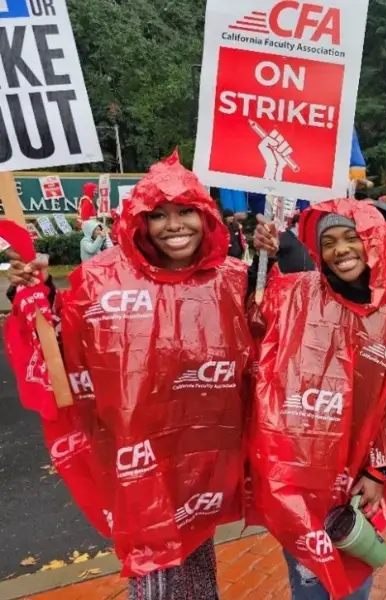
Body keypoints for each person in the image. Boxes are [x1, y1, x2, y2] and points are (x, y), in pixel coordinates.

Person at [5, 152, 252, 599]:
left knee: (198, 565)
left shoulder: (234, 278)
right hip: (141, 465)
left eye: (185, 212)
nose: (174, 225)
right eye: (158, 215)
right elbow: (63, 345)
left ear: (206, 216)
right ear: (140, 223)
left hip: (203, 463)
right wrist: (33, 293)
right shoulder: (100, 279)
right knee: (155, 570)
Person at [251, 199, 386, 600]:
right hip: (300, 470)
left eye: (352, 238)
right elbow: (256, 317)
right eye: (329, 242)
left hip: (359, 478)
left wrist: (379, 472)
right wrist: (260, 259)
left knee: (354, 570)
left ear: (375, 241)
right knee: (308, 580)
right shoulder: (298, 294)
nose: (341, 250)